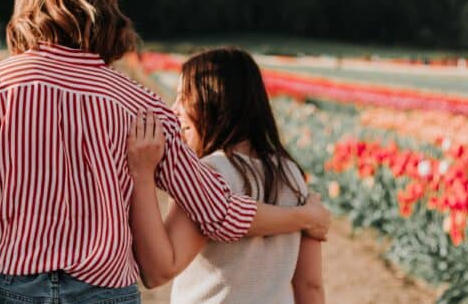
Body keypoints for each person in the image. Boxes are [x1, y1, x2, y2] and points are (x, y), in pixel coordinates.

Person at [0, 0, 330, 303]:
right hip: (104, 292)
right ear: (104, 7)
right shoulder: (139, 105)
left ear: (27, 6)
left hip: (8, 288)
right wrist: (302, 216)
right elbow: (218, 212)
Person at [127, 47, 325, 304]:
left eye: (183, 97)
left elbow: (157, 271)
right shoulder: (292, 174)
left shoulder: (208, 174)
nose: (174, 110)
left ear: (213, 101)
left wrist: (142, 175)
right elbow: (310, 285)